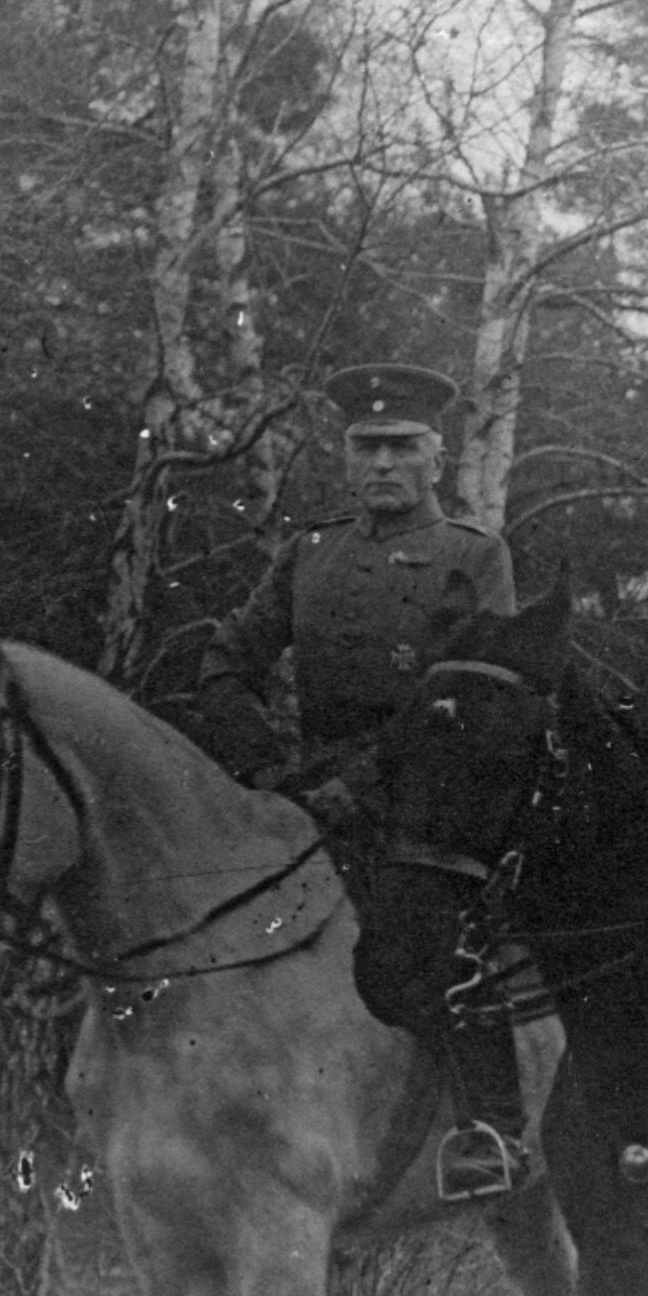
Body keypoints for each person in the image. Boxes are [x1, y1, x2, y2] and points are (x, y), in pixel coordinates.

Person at [195, 361, 534, 1204]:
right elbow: (224, 664)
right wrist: (265, 773)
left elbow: (477, 695)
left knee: (452, 940)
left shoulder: (474, 557)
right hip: (303, 793)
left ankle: (489, 1128)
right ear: (345, 459)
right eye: (364, 447)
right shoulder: (309, 554)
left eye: (399, 447)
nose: (381, 464)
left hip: (426, 800)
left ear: (437, 459)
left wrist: (368, 784)